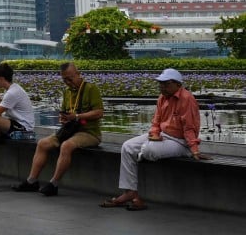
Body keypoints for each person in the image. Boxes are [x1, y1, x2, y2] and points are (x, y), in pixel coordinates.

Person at [101, 68, 209, 211]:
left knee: (148, 150)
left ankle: (184, 152)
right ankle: (130, 192)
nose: (162, 87)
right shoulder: (162, 97)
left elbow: (190, 128)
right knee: (127, 146)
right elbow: (156, 122)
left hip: (180, 141)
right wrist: (154, 135)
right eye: (160, 84)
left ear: (177, 84)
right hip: (163, 137)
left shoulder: (187, 99)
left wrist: (194, 149)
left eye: (166, 84)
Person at [13, 62, 104, 196]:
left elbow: (99, 112)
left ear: (78, 74)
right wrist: (64, 118)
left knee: (66, 146)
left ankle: (54, 183)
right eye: (64, 79)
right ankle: (31, 180)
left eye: (70, 78)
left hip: (88, 132)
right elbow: (67, 113)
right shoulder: (67, 92)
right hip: (70, 130)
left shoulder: (91, 89)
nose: (67, 82)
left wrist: (77, 116)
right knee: (43, 143)